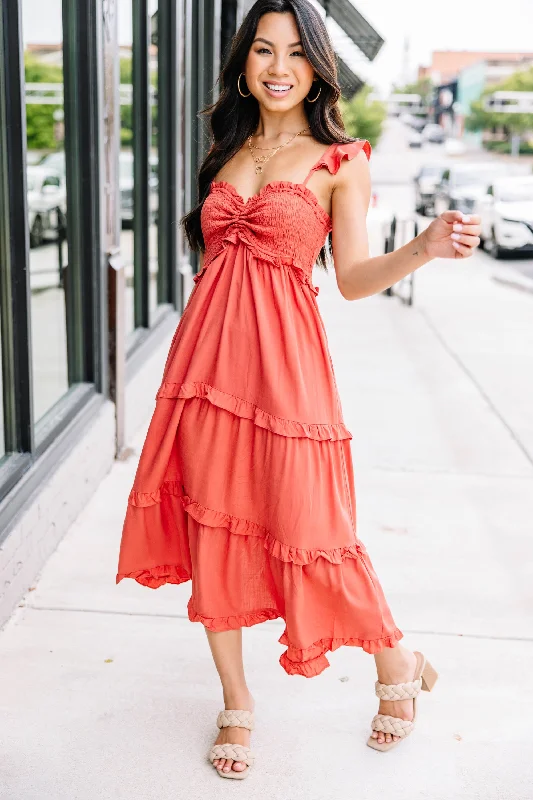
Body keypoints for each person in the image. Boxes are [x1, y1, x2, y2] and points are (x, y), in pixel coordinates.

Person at [116, 0, 482, 779]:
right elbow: (213, 266)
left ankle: (397, 661)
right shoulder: (226, 147)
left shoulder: (340, 158)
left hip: (287, 375)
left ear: (317, 64)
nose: (277, 67)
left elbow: (349, 280)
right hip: (204, 373)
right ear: (243, 64)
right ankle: (236, 704)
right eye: (261, 51)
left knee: (312, 529)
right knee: (213, 527)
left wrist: (418, 247)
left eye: (293, 53)